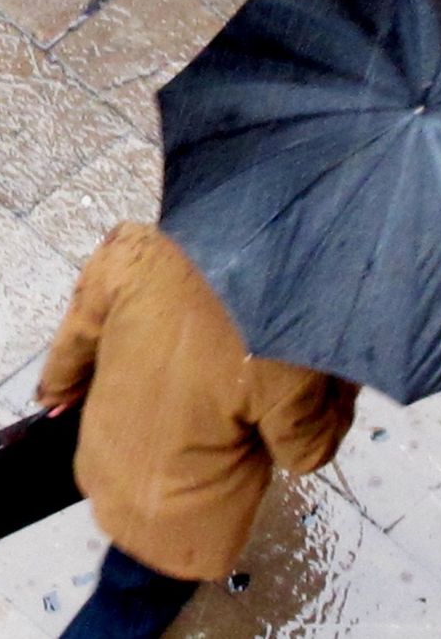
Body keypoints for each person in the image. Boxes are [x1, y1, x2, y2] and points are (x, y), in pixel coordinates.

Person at [36, 222, 361, 639]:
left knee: (125, 586)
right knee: (127, 604)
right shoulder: (284, 355)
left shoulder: (140, 248)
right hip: (177, 523)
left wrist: (60, 387)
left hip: (107, 454)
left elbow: (78, 333)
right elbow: (305, 452)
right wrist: (342, 372)